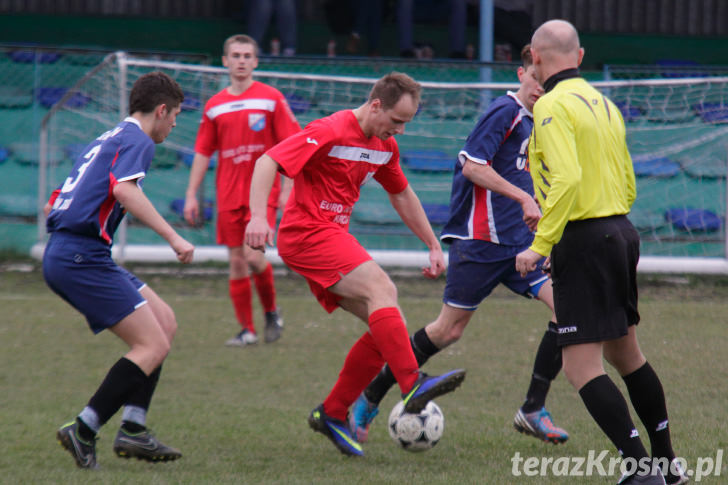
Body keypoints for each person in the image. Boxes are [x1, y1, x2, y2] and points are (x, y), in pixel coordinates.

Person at [349, 45, 569, 446]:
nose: (540, 88)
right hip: (479, 243)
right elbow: (472, 165)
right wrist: (522, 199)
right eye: (535, 80)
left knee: (567, 309)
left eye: (547, 82)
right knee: (447, 331)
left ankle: (533, 409)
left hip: (521, 246)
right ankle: (371, 396)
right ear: (521, 75)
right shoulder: (503, 113)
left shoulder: (544, 121)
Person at [245, 72, 466, 457]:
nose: (398, 131)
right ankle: (412, 384)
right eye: (396, 121)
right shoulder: (330, 130)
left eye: (406, 124)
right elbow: (268, 161)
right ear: (376, 105)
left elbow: (402, 195)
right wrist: (257, 217)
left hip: (330, 237)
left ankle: (331, 413)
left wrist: (433, 242)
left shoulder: (384, 145)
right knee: (384, 289)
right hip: (306, 233)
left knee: (385, 325)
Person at [515, 20, 687, 485]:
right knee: (627, 355)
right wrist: (601, 217)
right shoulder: (605, 103)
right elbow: (626, 178)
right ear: (581, 57)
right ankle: (667, 464)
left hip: (586, 237)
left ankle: (639, 471)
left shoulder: (550, 104)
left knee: (580, 366)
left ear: (534, 56)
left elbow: (568, 180)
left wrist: (541, 244)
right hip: (620, 230)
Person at [43, 71, 193, 469]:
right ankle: (84, 428)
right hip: (80, 256)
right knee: (152, 345)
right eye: (175, 115)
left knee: (165, 322)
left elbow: (55, 202)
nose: (175, 123)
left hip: (77, 251)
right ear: (160, 110)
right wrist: (174, 238)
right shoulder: (138, 141)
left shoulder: (106, 138)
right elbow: (125, 190)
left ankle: (133, 428)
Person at [184, 34, 301, 347]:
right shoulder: (214, 106)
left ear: (256, 61)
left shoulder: (271, 98)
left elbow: (293, 145)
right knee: (236, 261)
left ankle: (271, 311)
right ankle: (247, 331)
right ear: (225, 61)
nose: (241, 61)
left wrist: (288, 188)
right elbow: (203, 152)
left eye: (247, 55)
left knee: (253, 256)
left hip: (263, 194)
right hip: (228, 194)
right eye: (235, 55)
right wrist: (191, 194)